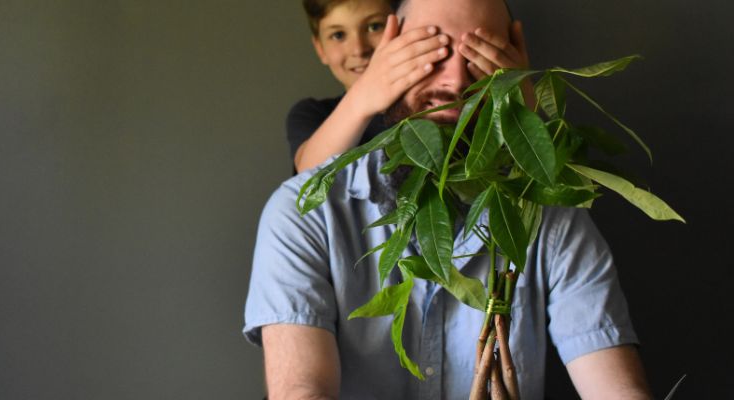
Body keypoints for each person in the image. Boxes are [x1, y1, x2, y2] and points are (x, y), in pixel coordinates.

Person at [245, 0, 653, 398]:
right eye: (433, 51)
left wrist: (525, 106)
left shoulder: (551, 218)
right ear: (391, 51)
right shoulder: (302, 214)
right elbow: (301, 391)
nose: (457, 83)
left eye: (480, 56)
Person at [288, 0, 451, 173]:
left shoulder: (433, 100)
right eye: (338, 35)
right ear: (320, 49)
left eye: (374, 26)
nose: (358, 49)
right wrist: (364, 94)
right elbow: (308, 176)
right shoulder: (311, 113)